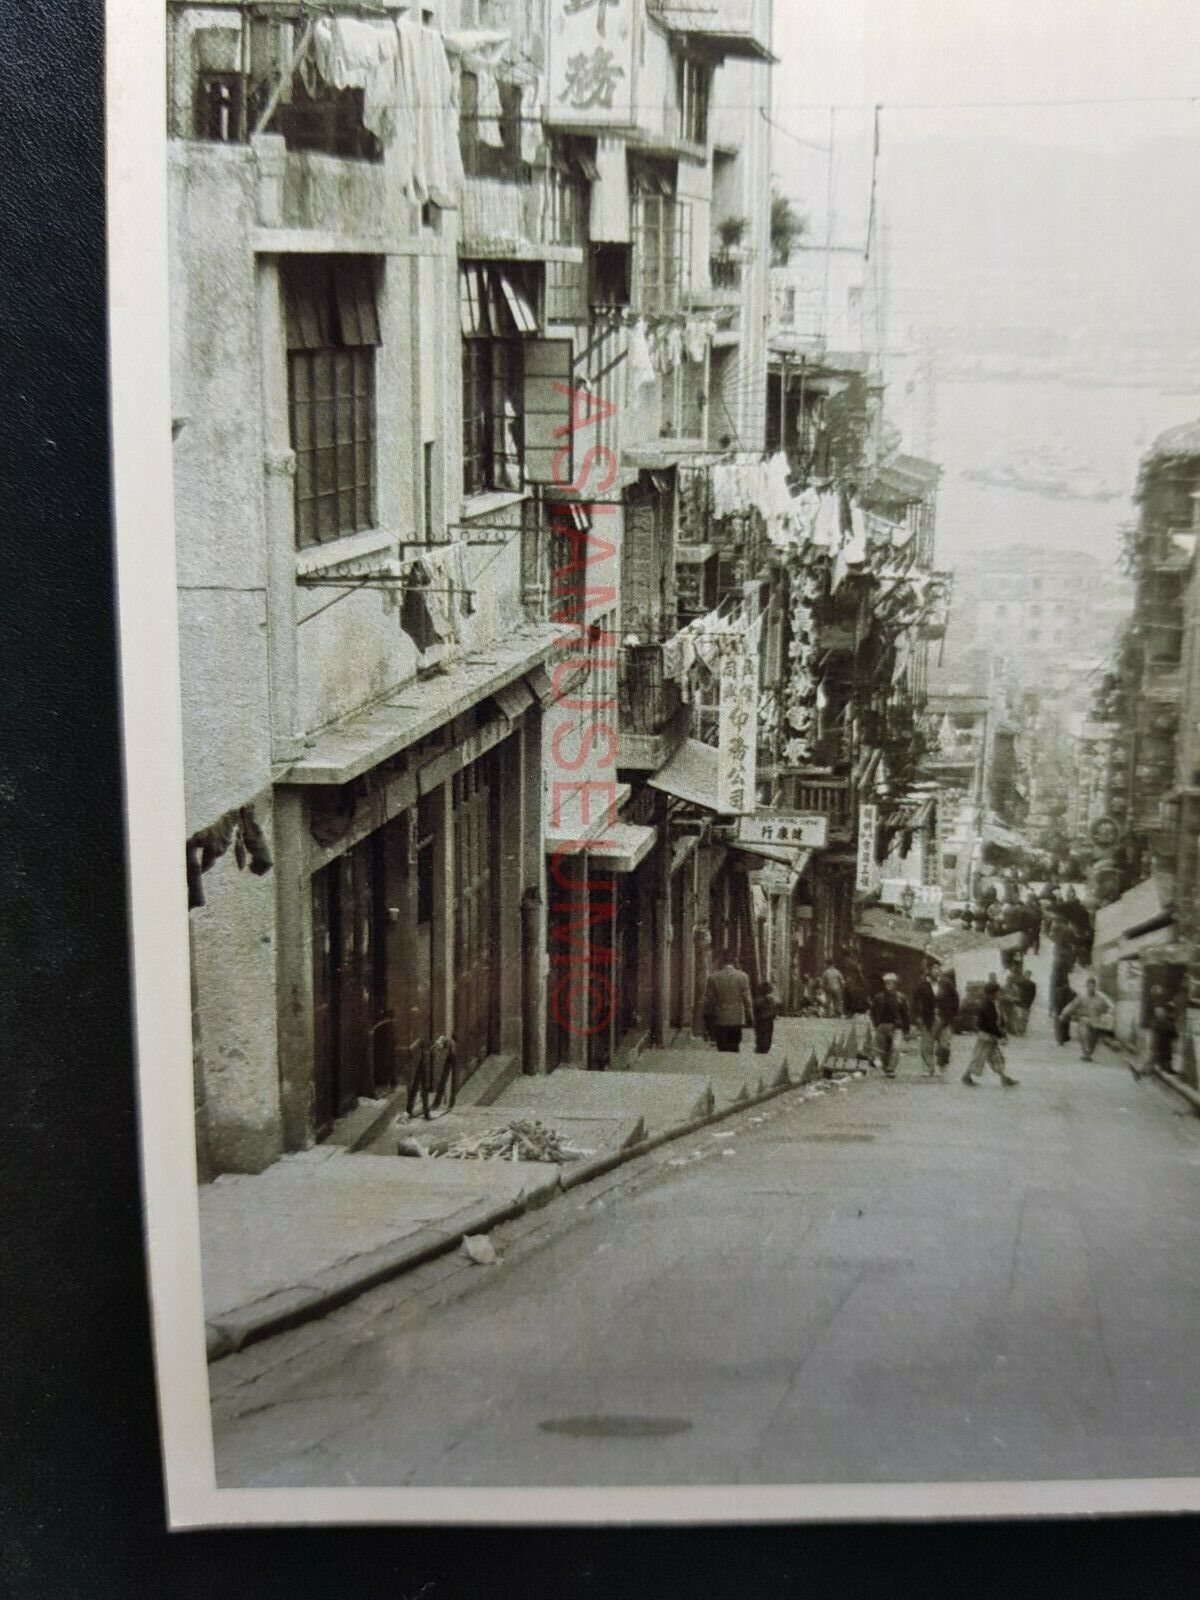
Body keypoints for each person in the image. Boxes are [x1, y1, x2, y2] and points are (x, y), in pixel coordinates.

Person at [962, 980, 1019, 1087]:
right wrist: (1000, 1035)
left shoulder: (988, 1003)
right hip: (986, 1036)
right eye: (998, 992)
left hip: (986, 1035)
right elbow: (991, 1024)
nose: (999, 994)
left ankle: (1003, 1078)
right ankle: (967, 1076)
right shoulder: (988, 1005)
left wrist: (999, 1034)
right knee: (981, 1057)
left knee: (993, 1057)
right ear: (993, 993)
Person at [702, 950, 754, 1053]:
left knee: (721, 1046)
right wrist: (750, 1016)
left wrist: (706, 1021)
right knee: (734, 1045)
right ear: (735, 961)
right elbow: (746, 999)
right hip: (736, 1017)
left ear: (722, 961)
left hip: (720, 1017)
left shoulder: (713, 978)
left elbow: (709, 1000)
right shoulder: (743, 977)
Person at [1058, 976, 1113, 1061]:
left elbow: (1110, 1006)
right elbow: (1072, 1005)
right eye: (1090, 986)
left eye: (1093, 986)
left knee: (1093, 1040)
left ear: (1095, 986)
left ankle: (1088, 1052)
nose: (1092, 988)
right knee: (1084, 1035)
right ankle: (1085, 1052)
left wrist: (1108, 1013)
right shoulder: (1082, 997)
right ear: (1086, 986)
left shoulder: (1101, 997)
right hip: (1084, 1020)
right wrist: (1063, 1014)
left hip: (1096, 1021)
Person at [869, 972, 910, 1077]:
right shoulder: (878, 998)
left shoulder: (901, 998)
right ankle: (886, 1066)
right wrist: (876, 1024)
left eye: (892, 983)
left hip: (897, 1027)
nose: (889, 985)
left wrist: (906, 1031)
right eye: (887, 983)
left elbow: (905, 1015)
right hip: (882, 1026)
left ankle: (891, 1068)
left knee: (896, 1047)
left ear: (896, 984)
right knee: (883, 1049)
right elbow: (872, 1012)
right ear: (884, 984)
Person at [911, 960, 938, 1077]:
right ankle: (930, 1068)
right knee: (927, 1044)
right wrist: (916, 1016)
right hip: (927, 1018)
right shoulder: (922, 986)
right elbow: (915, 1002)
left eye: (939, 968)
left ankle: (934, 1067)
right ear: (929, 971)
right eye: (935, 968)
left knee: (942, 1045)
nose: (937, 971)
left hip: (941, 1018)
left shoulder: (942, 984)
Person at [933, 965, 960, 1071]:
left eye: (937, 969)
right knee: (938, 1039)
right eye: (933, 969)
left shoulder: (946, 982)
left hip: (945, 1016)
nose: (935, 971)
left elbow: (955, 997)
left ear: (940, 971)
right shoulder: (928, 983)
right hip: (934, 1016)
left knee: (944, 1041)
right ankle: (941, 1060)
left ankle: (942, 1062)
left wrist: (953, 1013)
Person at [752, 979, 779, 1055]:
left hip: (759, 1022)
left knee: (760, 1040)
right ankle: (762, 1052)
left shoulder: (757, 1000)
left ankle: (759, 1051)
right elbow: (774, 1012)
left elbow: (755, 1013)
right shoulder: (771, 1000)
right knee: (767, 1040)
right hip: (768, 1022)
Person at [1149, 1004, 1178, 1073]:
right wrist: (1175, 1035)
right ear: (1169, 1012)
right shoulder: (1168, 1020)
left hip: (1160, 1042)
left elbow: (1154, 1027)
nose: (1173, 1014)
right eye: (1172, 1012)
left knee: (1161, 1058)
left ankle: (1166, 1068)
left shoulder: (1162, 1018)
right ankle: (1142, 1072)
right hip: (1163, 1043)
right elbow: (1171, 1031)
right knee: (1163, 1057)